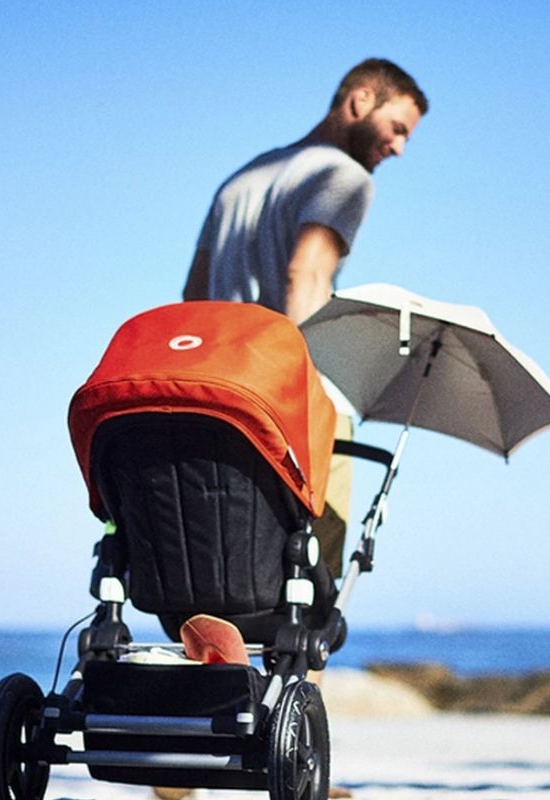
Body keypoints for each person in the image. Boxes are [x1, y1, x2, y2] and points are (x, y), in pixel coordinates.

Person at [183, 57, 429, 576]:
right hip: (294, 401)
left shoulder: (240, 183)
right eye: (398, 128)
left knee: (228, 578)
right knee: (306, 591)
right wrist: (299, 406)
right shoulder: (344, 176)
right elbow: (306, 275)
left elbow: (192, 301)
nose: (399, 148)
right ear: (360, 101)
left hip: (224, 402)